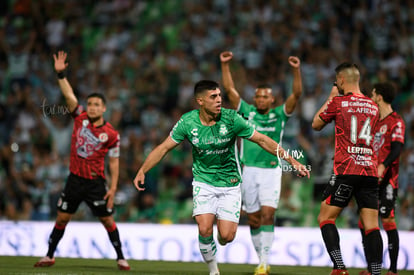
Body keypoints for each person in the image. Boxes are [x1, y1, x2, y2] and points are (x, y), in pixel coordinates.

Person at [133, 80, 310, 275]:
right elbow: (164, 147)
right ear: (200, 101)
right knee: (204, 229)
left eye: (219, 96)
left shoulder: (232, 119)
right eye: (213, 97)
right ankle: (213, 270)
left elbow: (262, 139)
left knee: (226, 236)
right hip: (203, 182)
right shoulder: (187, 122)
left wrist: (292, 161)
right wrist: (143, 169)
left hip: (230, 184)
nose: (219, 100)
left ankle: (221, 241)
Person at [34, 51, 130, 271]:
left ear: (104, 108)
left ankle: (121, 257)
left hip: (96, 183)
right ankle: (49, 256)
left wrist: (113, 188)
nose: (92, 107)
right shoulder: (80, 118)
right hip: (75, 180)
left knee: (107, 221)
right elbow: (69, 96)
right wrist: (61, 75)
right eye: (90, 104)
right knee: (61, 219)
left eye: (97, 104)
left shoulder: (112, 134)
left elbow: (114, 162)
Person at [219, 51, 302, 275]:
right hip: (248, 172)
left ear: (272, 99)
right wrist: (225, 65)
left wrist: (296, 69)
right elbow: (229, 91)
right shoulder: (246, 112)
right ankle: (261, 260)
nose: (261, 100)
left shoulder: (280, 114)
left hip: (271, 171)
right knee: (254, 219)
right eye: (258, 97)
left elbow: (296, 93)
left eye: (265, 97)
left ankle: (264, 262)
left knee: (267, 214)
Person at [312, 62, 383, 275]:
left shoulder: (339, 102)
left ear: (341, 80)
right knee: (371, 225)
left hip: (346, 170)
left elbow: (316, 124)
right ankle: (376, 271)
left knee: (325, 218)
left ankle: (339, 267)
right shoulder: (373, 106)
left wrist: (331, 96)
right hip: (369, 171)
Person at [358, 82, 405, 275]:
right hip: (369, 179)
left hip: (387, 180)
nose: (371, 96)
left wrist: (383, 165)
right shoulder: (375, 121)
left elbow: (397, 148)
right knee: (364, 222)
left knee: (387, 220)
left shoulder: (397, 121)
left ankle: (393, 270)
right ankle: (371, 267)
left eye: (373, 93)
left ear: (379, 96)